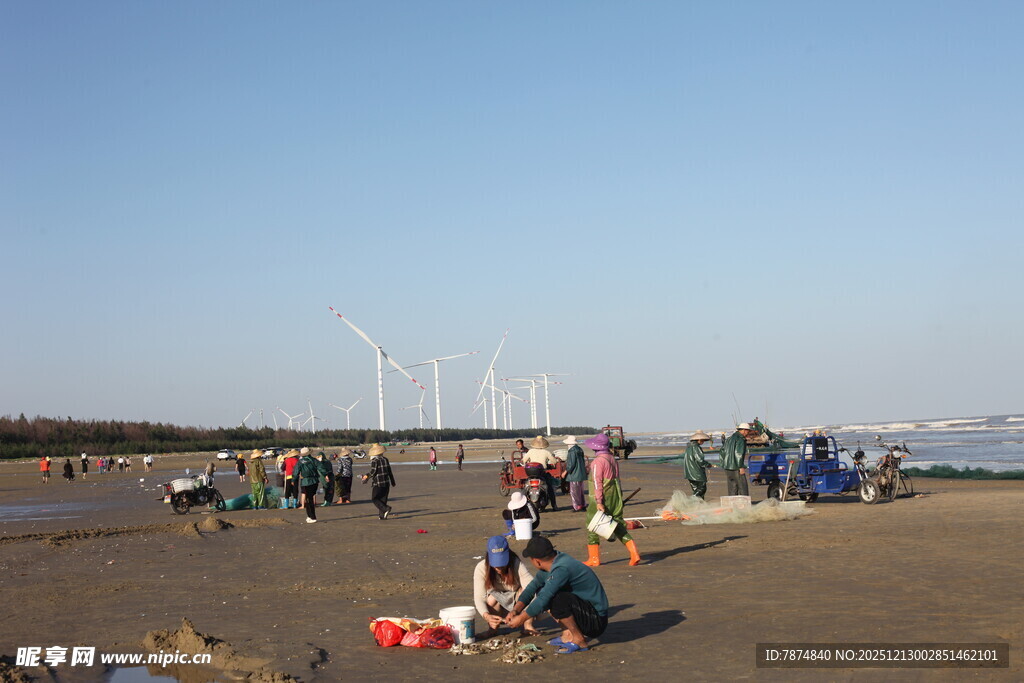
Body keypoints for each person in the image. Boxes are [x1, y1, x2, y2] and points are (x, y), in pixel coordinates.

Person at [505, 536, 609, 654]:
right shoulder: (553, 562)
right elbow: (532, 588)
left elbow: (543, 599)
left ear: (537, 561)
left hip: (596, 621)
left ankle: (579, 639)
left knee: (557, 599)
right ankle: (567, 634)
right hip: (586, 610)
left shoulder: (561, 569)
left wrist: (522, 618)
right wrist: (515, 610)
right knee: (542, 591)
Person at [583, 433, 640, 567]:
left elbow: (597, 483)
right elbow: (617, 480)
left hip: (603, 496)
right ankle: (634, 553)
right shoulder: (612, 459)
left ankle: (594, 558)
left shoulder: (598, 462)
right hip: (615, 496)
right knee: (618, 525)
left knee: (593, 525)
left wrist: (599, 501)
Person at [474, 536, 537, 637]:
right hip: (499, 603)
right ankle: (492, 628)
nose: (499, 567)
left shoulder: (516, 563)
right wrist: (487, 616)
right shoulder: (481, 568)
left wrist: (519, 613)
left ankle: (528, 625)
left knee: (526, 592)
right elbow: (479, 597)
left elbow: (532, 588)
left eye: (502, 563)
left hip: (518, 601)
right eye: (495, 563)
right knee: (491, 599)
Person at [523, 436, 560, 512]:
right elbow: (554, 461)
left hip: (530, 474)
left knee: (525, 488)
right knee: (550, 489)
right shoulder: (546, 452)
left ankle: (523, 505)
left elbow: (524, 460)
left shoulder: (530, 451)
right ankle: (554, 505)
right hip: (541, 473)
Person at [361, 443, 396, 520]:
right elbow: (389, 471)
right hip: (386, 483)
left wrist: (366, 476)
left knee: (375, 498)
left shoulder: (374, 461)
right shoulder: (385, 459)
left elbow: (373, 472)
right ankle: (382, 516)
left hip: (378, 483)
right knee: (383, 499)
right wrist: (393, 481)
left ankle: (386, 509)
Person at [720, 423, 754, 496]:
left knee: (732, 487)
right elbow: (739, 454)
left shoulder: (729, 438)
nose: (748, 434)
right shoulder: (741, 439)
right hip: (736, 467)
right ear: (744, 430)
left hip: (727, 467)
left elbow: (722, 451)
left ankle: (732, 505)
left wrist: (724, 463)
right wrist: (741, 466)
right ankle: (744, 505)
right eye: (748, 431)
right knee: (743, 487)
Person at [682, 430, 714, 499]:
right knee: (702, 488)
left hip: (689, 472)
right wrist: (708, 464)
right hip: (696, 472)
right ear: (699, 439)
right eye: (702, 440)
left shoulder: (689, 447)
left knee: (695, 489)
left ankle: (699, 505)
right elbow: (700, 460)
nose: (703, 442)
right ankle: (690, 500)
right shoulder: (696, 447)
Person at [294, 448, 320, 523]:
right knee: (310, 498)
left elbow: (296, 471)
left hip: (306, 481)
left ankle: (312, 517)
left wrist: (293, 480)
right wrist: (325, 475)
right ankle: (309, 516)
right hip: (315, 481)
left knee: (309, 499)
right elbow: (321, 468)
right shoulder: (314, 460)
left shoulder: (300, 462)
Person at [563, 436, 587, 512]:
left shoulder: (572, 451)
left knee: (574, 491)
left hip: (574, 474)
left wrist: (565, 472)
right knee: (580, 491)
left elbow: (571, 464)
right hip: (581, 472)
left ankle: (577, 506)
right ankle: (583, 505)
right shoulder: (579, 449)